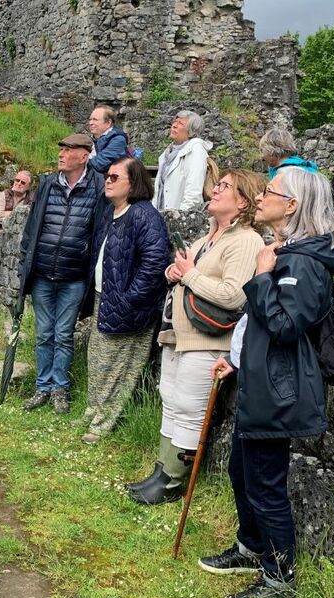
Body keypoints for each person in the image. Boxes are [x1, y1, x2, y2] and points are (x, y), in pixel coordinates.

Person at [201, 168, 334, 598]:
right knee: (241, 472)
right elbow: (259, 323)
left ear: (294, 205)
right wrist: (239, 359)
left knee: (266, 485)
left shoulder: (302, 263)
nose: (261, 196)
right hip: (258, 379)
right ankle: (251, 547)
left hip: (279, 390)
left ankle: (279, 578)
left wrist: (262, 275)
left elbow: (284, 327)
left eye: (270, 191)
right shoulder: (285, 251)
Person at [128, 168, 266, 504]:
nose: (214, 190)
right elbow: (188, 276)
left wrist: (188, 275)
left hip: (209, 339)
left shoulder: (246, 240)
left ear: (243, 201)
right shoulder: (208, 239)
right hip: (181, 335)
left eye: (224, 187)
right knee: (171, 399)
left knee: (189, 407)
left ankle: (174, 481)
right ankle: (162, 471)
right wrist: (173, 272)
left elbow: (235, 295)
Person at [81, 158, 169, 444]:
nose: (108, 181)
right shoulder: (112, 212)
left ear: (134, 183)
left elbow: (155, 263)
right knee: (97, 360)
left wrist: (129, 299)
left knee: (118, 367)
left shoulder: (144, 215)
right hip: (104, 297)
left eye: (115, 177)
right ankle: (94, 411)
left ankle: (104, 424)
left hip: (129, 307)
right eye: (107, 176)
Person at [18, 133, 105, 415]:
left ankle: (60, 388)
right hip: (43, 272)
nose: (62, 154)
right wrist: (24, 264)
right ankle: (42, 387)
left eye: (69, 149)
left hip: (74, 276)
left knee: (64, 334)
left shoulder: (98, 187)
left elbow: (99, 232)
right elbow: (32, 228)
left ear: (84, 155)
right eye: (62, 149)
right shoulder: (46, 185)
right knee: (44, 333)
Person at [153, 110, 212, 214]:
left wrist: (179, 218)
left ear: (191, 131)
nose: (174, 125)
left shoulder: (196, 150)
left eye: (180, 123)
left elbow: (193, 193)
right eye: (175, 122)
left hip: (178, 219)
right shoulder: (167, 153)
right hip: (161, 215)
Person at [87, 105, 129, 173]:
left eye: (95, 119)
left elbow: (99, 164)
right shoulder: (91, 139)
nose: (90, 123)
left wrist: (78, 162)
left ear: (108, 123)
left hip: (110, 180)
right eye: (90, 119)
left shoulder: (118, 140)